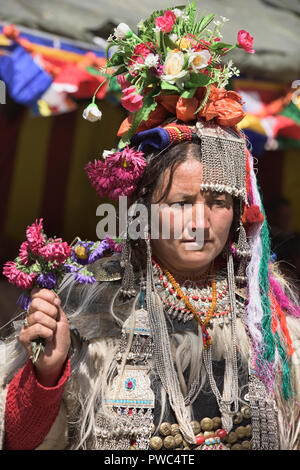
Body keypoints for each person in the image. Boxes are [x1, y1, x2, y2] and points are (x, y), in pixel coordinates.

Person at [1, 4, 300, 451]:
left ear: (239, 212)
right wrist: (48, 373)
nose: (199, 221)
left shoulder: (269, 311)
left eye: (218, 201)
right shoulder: (89, 300)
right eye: (180, 203)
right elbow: (21, 441)